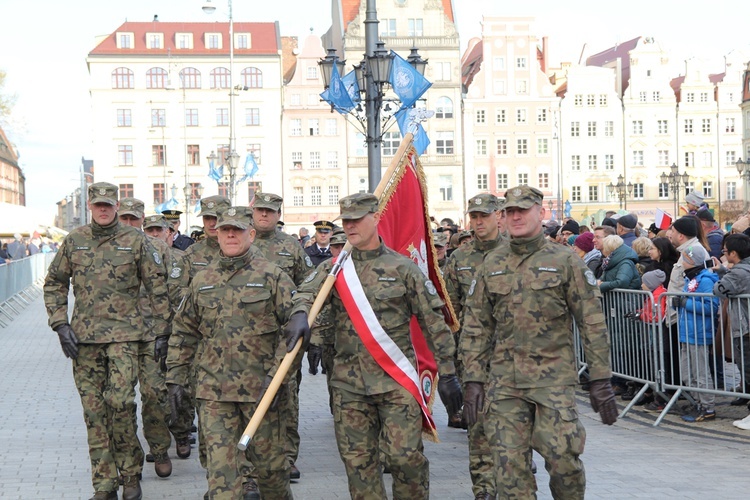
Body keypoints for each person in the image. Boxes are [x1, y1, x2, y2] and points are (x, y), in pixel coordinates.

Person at [291, 193, 462, 500]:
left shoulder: (402, 268)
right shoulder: (334, 269)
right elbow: (305, 293)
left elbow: (432, 323)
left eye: (358, 219)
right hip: (349, 385)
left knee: (404, 458)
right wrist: (300, 313)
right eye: (346, 221)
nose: (351, 225)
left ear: (375, 218)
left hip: (395, 383)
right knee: (359, 464)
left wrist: (448, 373)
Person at [460, 186, 617, 499]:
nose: (516, 216)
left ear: (541, 214)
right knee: (508, 468)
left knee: (563, 462)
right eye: (510, 211)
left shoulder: (564, 261)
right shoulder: (491, 263)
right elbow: (476, 325)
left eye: (523, 210)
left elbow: (592, 322)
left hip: (553, 381)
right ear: (503, 217)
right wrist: (473, 379)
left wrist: (601, 378)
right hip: (504, 383)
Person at [166, 206, 305, 499]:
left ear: (251, 234)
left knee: (271, 476)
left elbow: (294, 334)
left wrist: (280, 376)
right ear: (216, 235)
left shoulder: (273, 277)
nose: (230, 235)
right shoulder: (202, 280)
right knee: (222, 479)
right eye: (225, 230)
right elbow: (184, 332)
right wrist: (175, 379)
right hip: (214, 394)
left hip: (262, 392)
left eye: (237, 230)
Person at [43, 182, 171, 500]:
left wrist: (163, 332)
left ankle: (130, 475)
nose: (103, 209)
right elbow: (54, 283)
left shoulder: (136, 241)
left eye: (108, 204)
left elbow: (157, 288)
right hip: (84, 340)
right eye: (97, 204)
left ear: (117, 206)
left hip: (126, 338)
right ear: (90, 205)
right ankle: (103, 484)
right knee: (93, 411)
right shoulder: (74, 242)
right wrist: (60, 324)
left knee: (121, 404)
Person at [443, 193, 504, 499]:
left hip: (512, 355)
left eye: (484, 216)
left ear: (499, 216)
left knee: (512, 419)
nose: (478, 222)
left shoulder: (514, 252)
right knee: (477, 422)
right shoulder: (460, 258)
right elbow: (450, 310)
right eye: (474, 217)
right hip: (474, 354)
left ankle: (513, 472)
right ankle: (483, 488)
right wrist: (451, 355)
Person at [250, 192, 313, 481]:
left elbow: (308, 288)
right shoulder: (242, 240)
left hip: (284, 337)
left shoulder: (291, 246)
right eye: (260, 210)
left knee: (287, 397)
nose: (264, 215)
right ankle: (250, 458)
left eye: (270, 211)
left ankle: (287, 457)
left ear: (278, 214)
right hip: (247, 339)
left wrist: (312, 334)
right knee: (249, 397)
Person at [169, 195, 232, 466]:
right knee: (205, 405)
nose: (212, 224)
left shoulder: (237, 246)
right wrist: (203, 302)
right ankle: (214, 469)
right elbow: (176, 290)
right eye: (207, 218)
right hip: (201, 341)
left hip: (237, 342)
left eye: (217, 218)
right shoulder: (192, 254)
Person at [118, 199, 173, 478]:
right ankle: (129, 459)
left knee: (154, 394)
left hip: (152, 335)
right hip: (119, 336)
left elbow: (172, 289)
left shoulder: (158, 248)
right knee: (121, 400)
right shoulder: (109, 249)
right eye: (123, 218)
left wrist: (168, 331)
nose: (128, 224)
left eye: (133, 219)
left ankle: (160, 448)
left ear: (141, 220)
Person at [675, 243, 719, 422]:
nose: (682, 262)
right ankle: (698, 402)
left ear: (692, 260)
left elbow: (711, 306)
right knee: (687, 373)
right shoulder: (690, 278)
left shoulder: (706, 279)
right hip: (687, 332)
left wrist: (686, 304)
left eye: (684, 258)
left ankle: (708, 407)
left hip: (699, 332)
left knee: (701, 373)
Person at [711, 234, 750, 428]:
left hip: (745, 328)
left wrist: (723, 273)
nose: (723, 254)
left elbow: (718, 289)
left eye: (725, 251)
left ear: (734, 253)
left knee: (748, 370)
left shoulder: (740, 273)